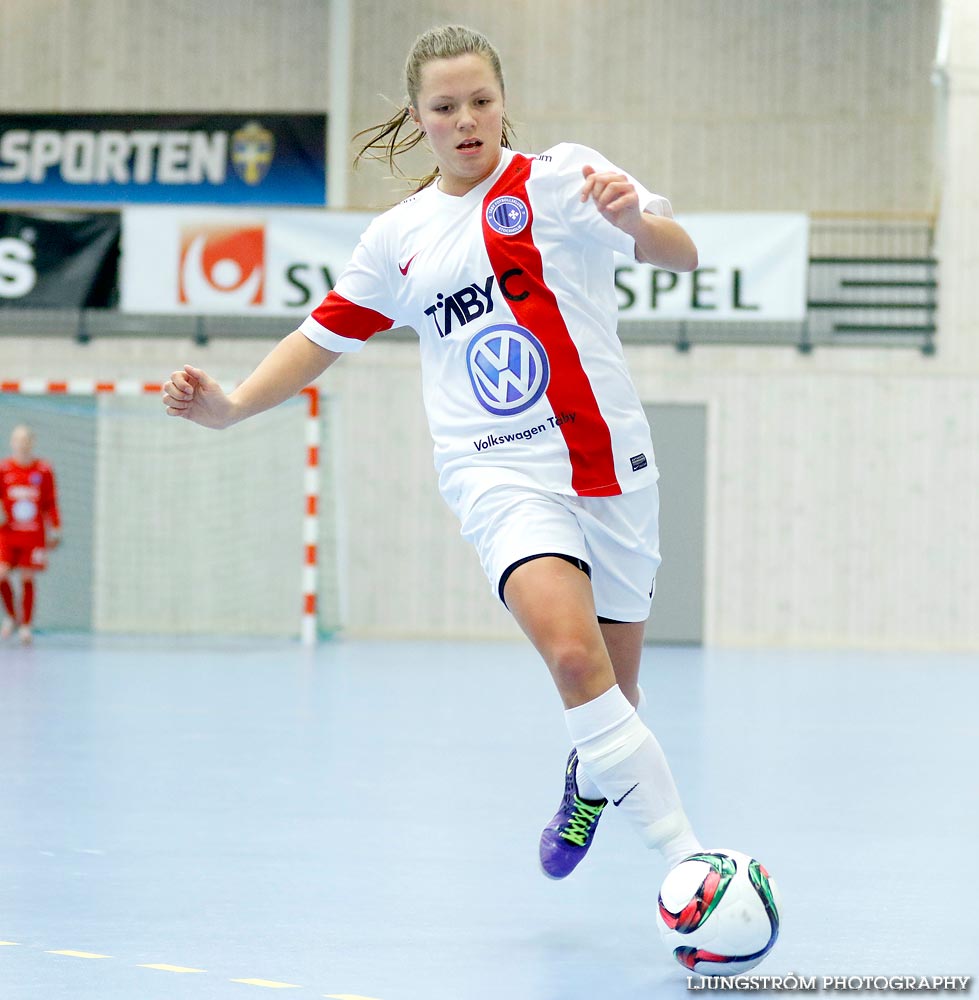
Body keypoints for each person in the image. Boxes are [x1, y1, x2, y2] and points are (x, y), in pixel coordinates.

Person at [163, 25, 703, 881]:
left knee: (613, 695)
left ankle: (588, 777)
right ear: (417, 120)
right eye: (445, 107)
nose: (466, 120)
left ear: (502, 102)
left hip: (611, 465)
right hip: (498, 470)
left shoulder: (564, 180)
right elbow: (320, 337)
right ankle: (691, 864)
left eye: (480, 101)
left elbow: (680, 252)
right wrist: (229, 407)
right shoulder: (399, 237)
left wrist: (633, 217)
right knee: (572, 658)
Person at [0, 424, 61, 644]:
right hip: (8, 533)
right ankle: (11, 615)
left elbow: (50, 502)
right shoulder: (4, 469)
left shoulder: (43, 470)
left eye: (25, 439)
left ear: (32, 442)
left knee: (27, 576)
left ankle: (26, 625)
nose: (21, 444)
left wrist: (55, 527)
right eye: (17, 439)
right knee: (2, 574)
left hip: (33, 534)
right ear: (11, 442)